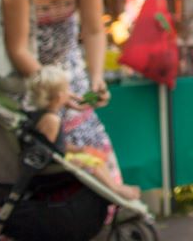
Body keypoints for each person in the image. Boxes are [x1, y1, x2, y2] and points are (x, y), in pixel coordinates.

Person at [0, 0, 123, 185]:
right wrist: (53, 89)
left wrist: (97, 76)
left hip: (68, 66)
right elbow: (17, 48)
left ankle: (103, 208)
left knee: (85, 136)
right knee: (34, 144)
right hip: (26, 73)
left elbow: (93, 30)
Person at [27, 65, 140, 201]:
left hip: (62, 159)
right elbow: (45, 151)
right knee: (93, 164)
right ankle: (115, 189)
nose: (70, 92)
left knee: (96, 159)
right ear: (59, 96)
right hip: (56, 167)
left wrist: (79, 149)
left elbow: (56, 144)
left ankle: (115, 187)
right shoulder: (51, 119)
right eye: (67, 89)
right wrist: (67, 160)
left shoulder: (49, 116)